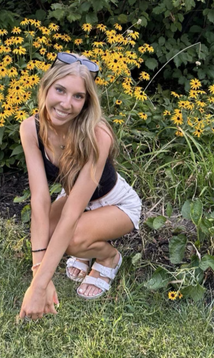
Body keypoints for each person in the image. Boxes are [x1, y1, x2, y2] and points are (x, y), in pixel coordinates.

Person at [19, 52, 141, 320]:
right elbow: (39, 200)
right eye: (60, 90)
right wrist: (38, 273)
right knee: (51, 234)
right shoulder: (30, 129)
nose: (66, 103)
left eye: (78, 96)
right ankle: (87, 250)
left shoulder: (98, 135)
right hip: (75, 195)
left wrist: (38, 288)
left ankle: (108, 257)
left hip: (115, 202)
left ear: (87, 102)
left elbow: (72, 215)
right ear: (46, 88)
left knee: (71, 241)